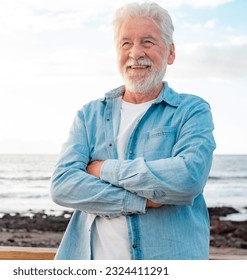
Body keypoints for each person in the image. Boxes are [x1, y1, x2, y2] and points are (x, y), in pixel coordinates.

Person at [50, 2, 216, 260]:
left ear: (170, 53)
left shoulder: (191, 110)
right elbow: (63, 186)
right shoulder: (89, 115)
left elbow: (188, 178)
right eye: (125, 43)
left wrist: (102, 169)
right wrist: (142, 201)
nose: (135, 53)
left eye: (147, 42)